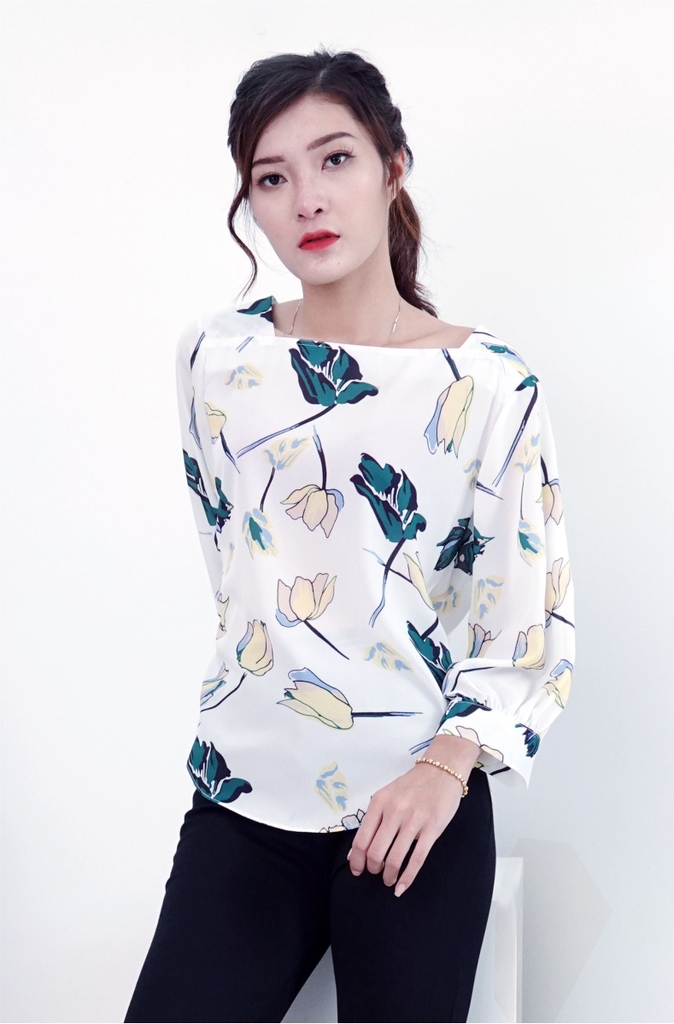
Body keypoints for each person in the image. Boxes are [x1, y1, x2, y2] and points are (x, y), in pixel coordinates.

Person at [123, 46, 576, 1024]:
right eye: (271, 177)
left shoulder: (488, 384)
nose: (307, 200)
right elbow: (233, 565)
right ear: (249, 202)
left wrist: (442, 768)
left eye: (334, 159)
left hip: (415, 802)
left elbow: (527, 627)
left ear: (391, 167)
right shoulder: (215, 358)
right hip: (244, 797)